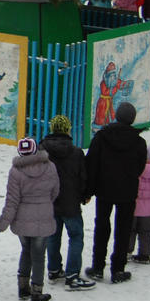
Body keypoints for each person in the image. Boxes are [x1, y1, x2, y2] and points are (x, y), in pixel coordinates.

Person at [84, 101, 147, 284]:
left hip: (104, 190)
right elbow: (139, 167)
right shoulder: (139, 142)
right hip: (127, 192)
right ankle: (118, 269)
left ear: (116, 116)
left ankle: (97, 267)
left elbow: (92, 164)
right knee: (123, 229)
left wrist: (88, 190)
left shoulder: (102, 137)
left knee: (102, 227)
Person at [0, 138, 60, 301]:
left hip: (23, 220)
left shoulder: (15, 172)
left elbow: (12, 200)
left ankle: (23, 287)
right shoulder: (50, 167)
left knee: (26, 251)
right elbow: (55, 191)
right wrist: (45, 203)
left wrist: (2, 222)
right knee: (39, 255)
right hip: (44, 217)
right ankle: (37, 292)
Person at [40, 115, 96, 291]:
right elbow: (83, 177)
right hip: (71, 202)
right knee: (76, 236)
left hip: (49, 201)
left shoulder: (42, 151)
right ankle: (72, 276)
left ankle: (54, 269)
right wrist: (86, 194)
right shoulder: (76, 152)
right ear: (67, 129)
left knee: (52, 236)